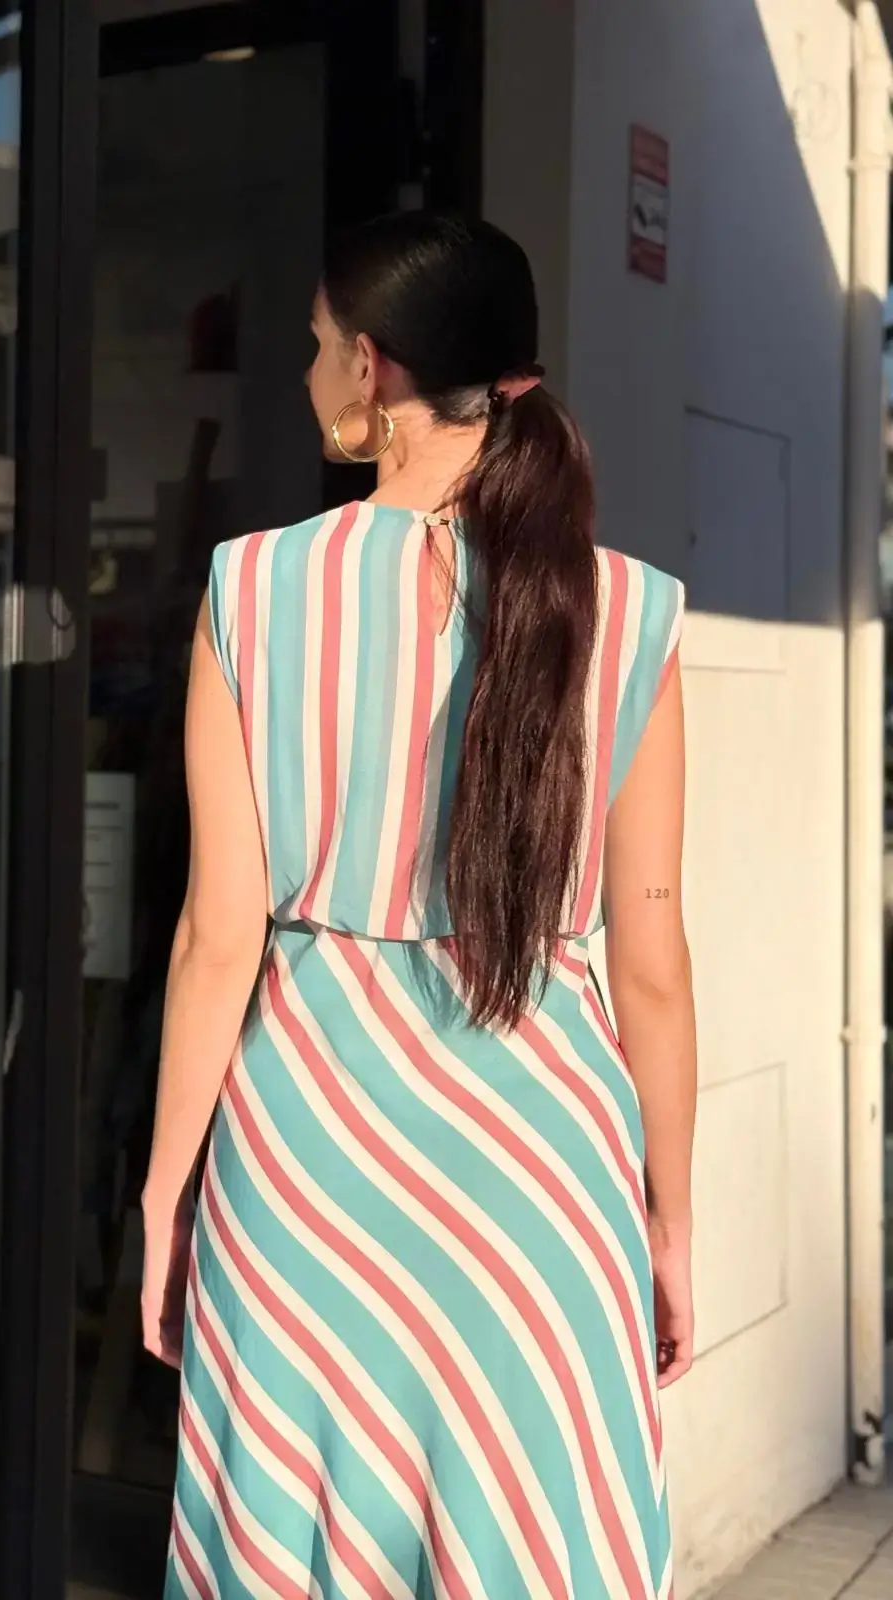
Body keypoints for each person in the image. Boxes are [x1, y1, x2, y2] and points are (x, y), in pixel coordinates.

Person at [142, 212, 696, 1600]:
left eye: (319, 345)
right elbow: (654, 959)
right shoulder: (625, 607)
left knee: (297, 1542)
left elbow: (218, 937)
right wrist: (668, 1221)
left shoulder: (253, 586)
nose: (308, 372)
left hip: (308, 1157)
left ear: (376, 368)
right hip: (545, 1178)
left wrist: (163, 1194)